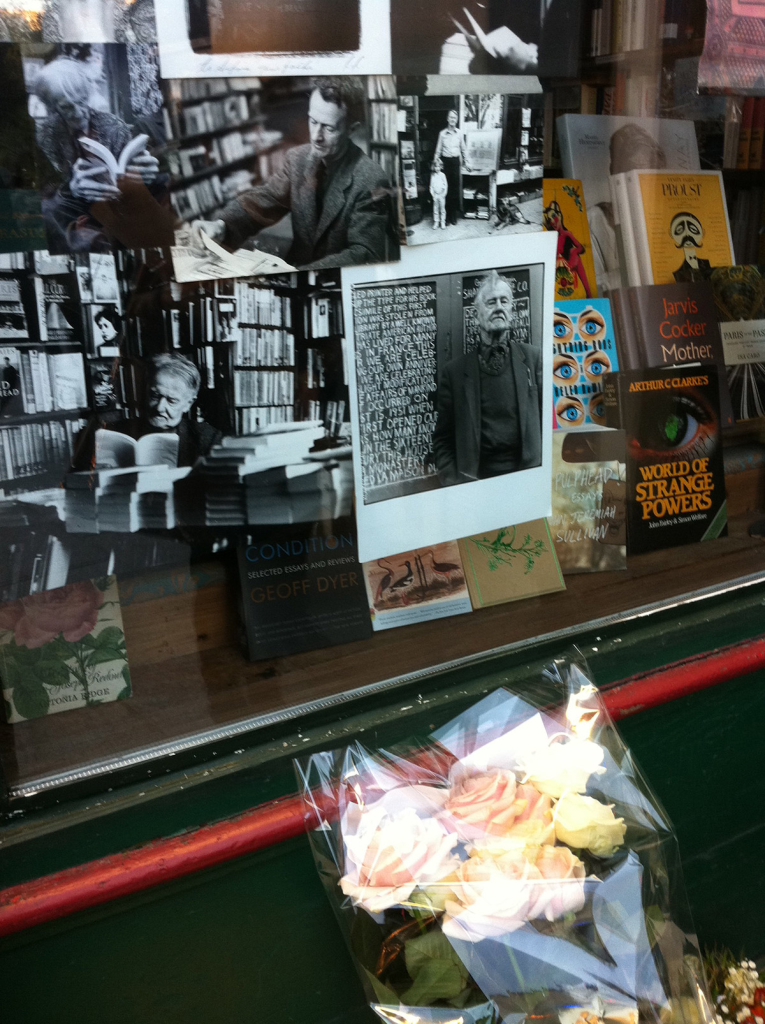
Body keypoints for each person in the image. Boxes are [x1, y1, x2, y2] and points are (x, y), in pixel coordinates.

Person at [188, 77, 397, 270]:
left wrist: (301, 274)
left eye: (329, 129)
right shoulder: (298, 158)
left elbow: (365, 252)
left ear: (352, 129)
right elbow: (265, 199)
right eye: (313, 121)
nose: (316, 137)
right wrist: (221, 225)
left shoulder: (371, 179)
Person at [31, 56, 160, 252]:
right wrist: (70, 188)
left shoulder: (114, 127)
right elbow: (43, 193)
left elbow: (128, 182)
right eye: (66, 107)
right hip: (69, 219)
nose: (79, 112)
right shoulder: (46, 134)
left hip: (113, 214)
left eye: (82, 101)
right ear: (53, 106)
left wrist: (143, 176)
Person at [432, 270, 542, 486]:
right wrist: (454, 484)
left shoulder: (533, 359)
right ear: (476, 316)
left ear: (512, 310)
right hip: (476, 488)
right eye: (491, 302)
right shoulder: (454, 373)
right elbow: (442, 440)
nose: (499, 307)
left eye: (504, 301)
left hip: (527, 483)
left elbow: (548, 424)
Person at [589, 123, 667, 293]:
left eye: (649, 174)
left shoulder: (666, 219)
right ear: (614, 173)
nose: (640, 182)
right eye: (632, 171)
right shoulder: (594, 220)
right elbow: (591, 290)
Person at [113, 353, 221, 466]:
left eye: (171, 401)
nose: (159, 408)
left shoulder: (207, 438)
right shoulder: (118, 432)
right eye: (154, 395)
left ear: (188, 404)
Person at [543, 199, 593, 297]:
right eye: (550, 219)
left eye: (554, 216)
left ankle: (588, 292)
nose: (552, 221)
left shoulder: (566, 234)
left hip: (569, 266)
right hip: (557, 269)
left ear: (559, 216)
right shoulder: (551, 237)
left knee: (577, 257)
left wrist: (574, 253)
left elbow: (581, 248)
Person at [433, 109, 466, 226]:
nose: (452, 120)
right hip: (445, 163)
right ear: (447, 119)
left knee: (454, 189)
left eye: (454, 118)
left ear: (456, 120)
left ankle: (453, 216)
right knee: (444, 190)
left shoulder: (460, 133)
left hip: (455, 162)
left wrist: (467, 162)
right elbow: (438, 151)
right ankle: (445, 217)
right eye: (451, 117)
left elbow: (463, 149)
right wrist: (435, 162)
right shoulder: (442, 134)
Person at [670, 212, 712, 282]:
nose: (687, 234)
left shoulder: (706, 263)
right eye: (679, 230)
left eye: (693, 229)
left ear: (703, 232)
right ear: (671, 234)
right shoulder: (677, 270)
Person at [430, 157, 448, 230]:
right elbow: (431, 186)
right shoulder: (432, 176)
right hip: (435, 195)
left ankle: (442, 222)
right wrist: (433, 195)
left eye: (438, 166)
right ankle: (436, 222)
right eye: (435, 166)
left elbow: (446, 185)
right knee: (435, 209)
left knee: (442, 209)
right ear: (433, 167)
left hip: (441, 194)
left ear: (441, 166)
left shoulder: (443, 175)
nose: (437, 168)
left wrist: (444, 193)